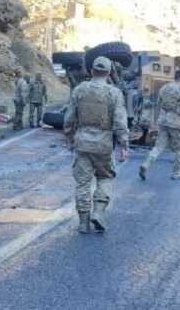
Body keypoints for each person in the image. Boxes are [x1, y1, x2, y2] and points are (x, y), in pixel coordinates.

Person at [64, 56, 129, 234]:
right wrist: (124, 145)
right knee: (105, 177)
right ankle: (98, 213)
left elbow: (69, 119)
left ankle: (83, 222)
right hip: (104, 144)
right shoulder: (114, 93)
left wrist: (70, 140)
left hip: (82, 142)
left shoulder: (79, 90)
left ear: (92, 71)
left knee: (83, 184)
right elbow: (120, 122)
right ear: (108, 73)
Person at [139, 69, 180, 181]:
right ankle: (176, 173)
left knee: (158, 146)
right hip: (177, 123)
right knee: (179, 148)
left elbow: (159, 103)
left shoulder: (164, 88)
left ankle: (146, 164)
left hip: (163, 121)